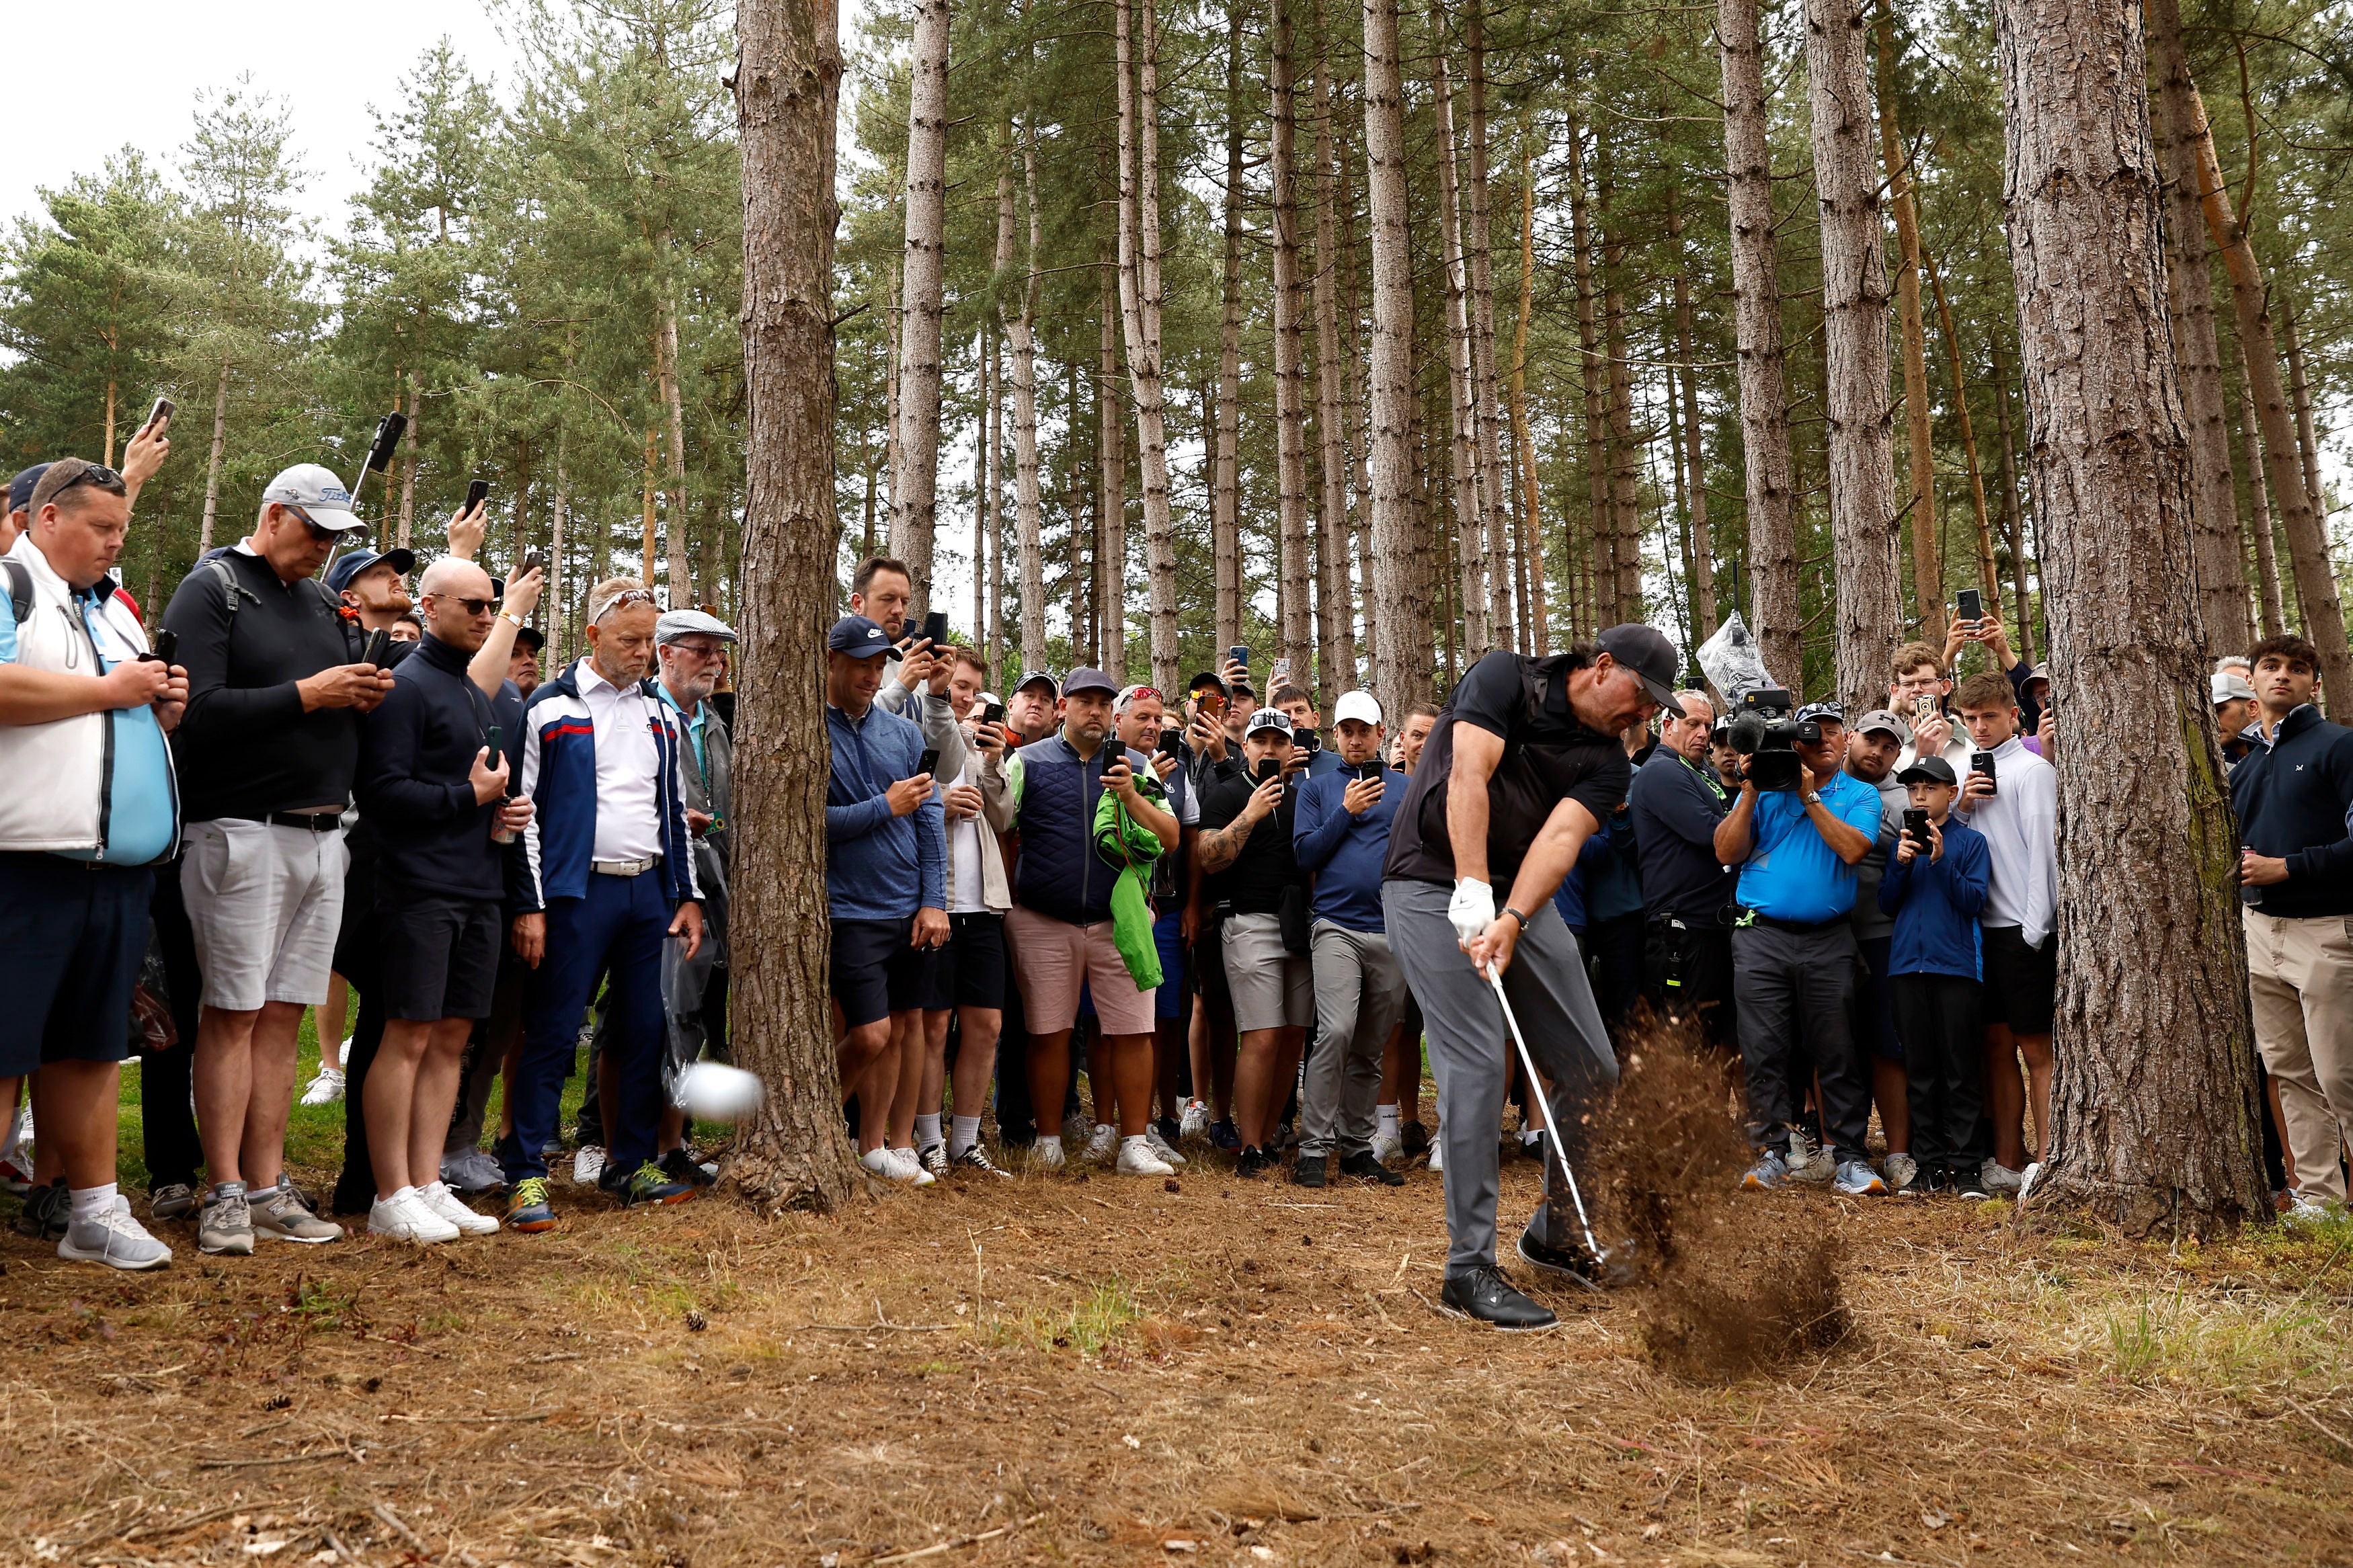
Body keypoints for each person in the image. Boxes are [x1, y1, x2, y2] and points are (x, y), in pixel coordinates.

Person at [1382, 625, 1675, 1329]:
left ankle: (1560, 1233)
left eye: (1652, 710)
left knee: (1591, 1066)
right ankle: (1468, 1268)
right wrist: (1472, 887)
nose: (1642, 716)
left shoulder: (1610, 760)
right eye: (1639, 697)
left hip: (1518, 895)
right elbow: (1466, 775)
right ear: (1602, 667)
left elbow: (1560, 839)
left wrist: (1509, 914)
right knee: (1478, 1065)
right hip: (1430, 883)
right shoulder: (1502, 679)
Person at [161, 462, 399, 1255]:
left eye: (338, 536)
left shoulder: (322, 600)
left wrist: (359, 694)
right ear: (274, 515)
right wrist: (311, 693)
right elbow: (194, 710)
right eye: (317, 531)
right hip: (239, 829)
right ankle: (223, 1188)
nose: (327, 547)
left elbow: (331, 703)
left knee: (284, 1016)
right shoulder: (214, 587)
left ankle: (266, 1184)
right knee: (230, 1014)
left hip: (323, 834)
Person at [0, 458, 185, 1269]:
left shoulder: (114, 608)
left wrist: (160, 707)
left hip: (117, 870)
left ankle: (93, 1212)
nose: (116, 542)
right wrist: (111, 691)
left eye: (122, 529)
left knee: (91, 1045)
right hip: (24, 864)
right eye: (102, 527)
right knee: (4, 1048)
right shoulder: (11, 586)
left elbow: (113, 709)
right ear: (46, 520)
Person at [499, 577, 706, 1227]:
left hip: (647, 893)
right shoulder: (547, 709)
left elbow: (672, 810)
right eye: (629, 640)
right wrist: (529, 905)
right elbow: (521, 815)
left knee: (643, 1027)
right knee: (554, 1029)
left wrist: (688, 895)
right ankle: (526, 1170)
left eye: (650, 640)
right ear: (592, 637)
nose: (643, 652)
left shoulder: (661, 715)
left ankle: (629, 1161)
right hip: (573, 892)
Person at [353, 558, 528, 1242]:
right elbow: (384, 794)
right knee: (408, 1035)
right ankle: (388, 1191)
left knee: (452, 1038)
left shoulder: (474, 694)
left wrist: (498, 814)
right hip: (415, 888)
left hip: (478, 882)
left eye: (492, 607)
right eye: (475, 607)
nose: (488, 618)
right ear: (429, 604)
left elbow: (471, 789)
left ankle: (427, 1179)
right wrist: (470, 797)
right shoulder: (405, 686)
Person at [980, 667, 1179, 1173]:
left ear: (1114, 712)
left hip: (1120, 922)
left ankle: (1135, 1142)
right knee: (1049, 1031)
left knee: (1133, 1031)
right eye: (1084, 700)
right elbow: (1003, 823)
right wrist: (1009, 905)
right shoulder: (1027, 759)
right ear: (1063, 707)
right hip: (1043, 917)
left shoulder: (1136, 764)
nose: (1095, 710)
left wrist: (1132, 795)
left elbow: (1172, 836)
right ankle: (1048, 1139)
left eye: (1103, 702)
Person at [1716, 700, 1886, 1196]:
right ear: (1794, 741)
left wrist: (1810, 796)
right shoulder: (1764, 789)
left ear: (1847, 736)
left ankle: (1850, 1156)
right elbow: (1726, 851)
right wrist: (1749, 791)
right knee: (1763, 1049)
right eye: (1811, 735)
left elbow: (1855, 849)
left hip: (1828, 937)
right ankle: (1770, 1153)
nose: (1823, 741)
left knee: (1838, 1049)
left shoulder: (1860, 794)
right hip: (1760, 936)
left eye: (1833, 732)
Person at [2231, 634, 2353, 1225]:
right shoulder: (2248, 762)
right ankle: (2322, 1202)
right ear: (2251, 683)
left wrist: (2290, 867)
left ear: (2314, 684)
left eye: (2297, 668)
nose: (2283, 676)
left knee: (2342, 1074)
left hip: (2330, 932)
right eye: (2271, 667)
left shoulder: (2339, 747)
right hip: (2260, 932)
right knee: (2290, 1072)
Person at [820, 614, 945, 1184]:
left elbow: (930, 820)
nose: (872, 677)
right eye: (860, 666)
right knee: (868, 1032)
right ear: (830, 663)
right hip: (849, 909)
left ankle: (874, 1147)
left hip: (908, 908)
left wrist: (934, 900)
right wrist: (883, 806)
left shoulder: (904, 733)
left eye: (879, 666)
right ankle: (819, 1129)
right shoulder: (808, 730)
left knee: (898, 1027)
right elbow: (804, 822)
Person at [1291, 691, 1409, 1189]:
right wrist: (1345, 810)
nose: (1355, 738)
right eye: (1346, 730)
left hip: (1392, 930)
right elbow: (1304, 855)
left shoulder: (1406, 788)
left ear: (1382, 733)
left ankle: (1359, 1147)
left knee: (1370, 1044)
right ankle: (1314, 1148)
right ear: (1334, 735)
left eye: (1365, 730)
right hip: (1335, 925)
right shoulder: (1317, 787)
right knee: (1335, 1030)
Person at [1949, 669, 2057, 1194]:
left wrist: (2037, 930)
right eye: (1970, 719)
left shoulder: (2034, 771)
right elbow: (1962, 845)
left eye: (1989, 716)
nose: (1980, 727)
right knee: (1994, 1046)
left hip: (2022, 930)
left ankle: (2053, 1157)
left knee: (2037, 1048)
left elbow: (2045, 853)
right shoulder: (1969, 771)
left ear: (2015, 715)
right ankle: (2009, 1160)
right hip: (1979, 930)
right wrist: (1964, 803)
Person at [1196, 708, 1317, 1174]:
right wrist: (1251, 813)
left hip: (1298, 925)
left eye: (1278, 742)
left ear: (1292, 749)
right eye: (1260, 741)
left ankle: (1267, 1138)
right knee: (1262, 1036)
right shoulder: (1226, 794)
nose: (1269, 750)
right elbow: (1208, 858)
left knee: (1292, 1037)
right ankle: (1248, 1146)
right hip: (1248, 922)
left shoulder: (1304, 797)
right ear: (1244, 747)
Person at [644, 608, 737, 1184]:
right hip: (659, 890)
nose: (714, 660)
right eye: (700, 649)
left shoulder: (714, 722)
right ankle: (647, 1146)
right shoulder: (643, 714)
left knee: (695, 1018)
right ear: (665, 654)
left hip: (716, 889)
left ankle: (673, 1143)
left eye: (719, 650)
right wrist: (674, 822)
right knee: (663, 1014)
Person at [914, 649, 1012, 1178]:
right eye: (957, 685)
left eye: (973, 688)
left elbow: (1004, 817)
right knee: (933, 1025)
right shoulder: (918, 736)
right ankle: (929, 1141)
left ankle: (966, 1142)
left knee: (986, 1024)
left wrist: (995, 765)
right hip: (936, 904)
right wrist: (939, 804)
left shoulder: (978, 753)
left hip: (986, 907)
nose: (966, 695)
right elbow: (901, 809)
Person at [1877, 756, 1991, 1196]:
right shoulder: (1901, 844)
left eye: (1930, 786)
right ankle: (1927, 1165)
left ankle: (1966, 1168)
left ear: (1951, 792)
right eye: (1913, 788)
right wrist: (1902, 864)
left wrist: (1941, 860)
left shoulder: (1971, 843)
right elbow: (1887, 903)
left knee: (1961, 1069)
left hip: (1957, 968)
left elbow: (1973, 902)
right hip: (1907, 967)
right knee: (1919, 1071)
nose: (1920, 794)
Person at [1111, 683, 1197, 1169]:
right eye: (1142, 716)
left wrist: (1190, 906)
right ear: (1118, 720)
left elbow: (1183, 840)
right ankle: (1117, 1126)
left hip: (1165, 906)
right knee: (1115, 1023)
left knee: (1163, 1019)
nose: (1152, 726)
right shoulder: (1106, 761)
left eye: (1158, 718)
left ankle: (1160, 1124)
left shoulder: (1179, 773)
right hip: (1116, 907)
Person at [1626, 690, 1734, 1052]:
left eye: (1708, 725)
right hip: (1683, 928)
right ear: (1668, 725)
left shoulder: (1700, 771)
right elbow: (1713, 836)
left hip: (1711, 923)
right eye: (1693, 724)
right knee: (1689, 1043)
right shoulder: (1662, 772)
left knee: (1717, 1041)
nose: (1704, 733)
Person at [1843, 710, 1915, 1188]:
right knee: (1835, 1044)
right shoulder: (1821, 781)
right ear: (1852, 737)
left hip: (1883, 932)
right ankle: (1840, 1146)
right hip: (1826, 932)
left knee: (1889, 1046)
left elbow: (1889, 836)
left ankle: (1898, 1152)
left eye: (1890, 746)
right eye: (1872, 740)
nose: (1878, 752)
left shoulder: (1903, 794)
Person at [1888, 641, 1973, 778]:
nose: (1917, 689)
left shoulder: (1975, 738)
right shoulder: (1891, 749)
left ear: (1945, 687)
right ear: (1896, 691)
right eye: (1908, 684)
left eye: (1926, 682)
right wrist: (1922, 756)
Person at [327, 546, 417, 632]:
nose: (397, 577)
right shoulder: (345, 647)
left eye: (395, 572)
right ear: (351, 598)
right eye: (380, 573)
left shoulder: (383, 646)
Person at [2213, 668, 2259, 770]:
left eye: (2219, 710)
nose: (2212, 721)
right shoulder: (2218, 766)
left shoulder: (2281, 752)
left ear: (2252, 708)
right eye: (2207, 714)